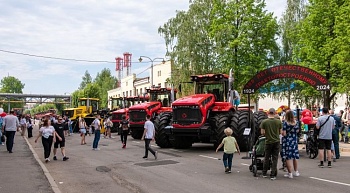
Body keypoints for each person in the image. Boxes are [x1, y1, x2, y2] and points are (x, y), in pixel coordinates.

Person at [260, 108, 282, 180]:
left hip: (268, 141)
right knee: (275, 158)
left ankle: (264, 173)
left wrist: (267, 134)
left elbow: (262, 132)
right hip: (276, 141)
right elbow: (280, 132)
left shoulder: (264, 122)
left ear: (268, 113)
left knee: (267, 157)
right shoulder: (278, 122)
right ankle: (273, 174)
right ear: (275, 113)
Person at [282, 110, 300, 179]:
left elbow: (284, 133)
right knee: (295, 156)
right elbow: (297, 131)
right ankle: (296, 171)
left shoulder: (285, 123)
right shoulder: (296, 123)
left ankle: (290, 173)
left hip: (287, 141)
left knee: (288, 157)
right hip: (294, 141)